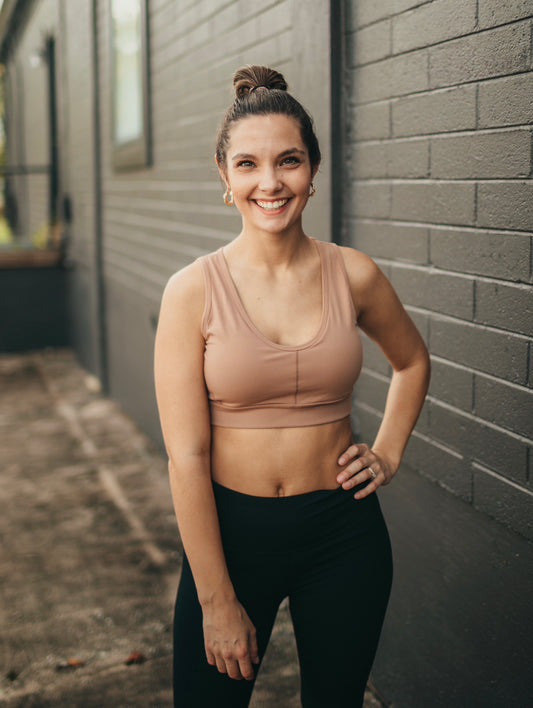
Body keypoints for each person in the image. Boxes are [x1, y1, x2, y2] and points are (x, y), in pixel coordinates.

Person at [154, 65, 430, 708]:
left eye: (289, 161)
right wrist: (216, 597)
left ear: (312, 171)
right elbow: (187, 456)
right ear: (225, 177)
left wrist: (387, 451)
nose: (270, 182)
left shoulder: (354, 274)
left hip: (343, 534)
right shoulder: (192, 290)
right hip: (232, 534)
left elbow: (412, 361)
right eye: (248, 164)